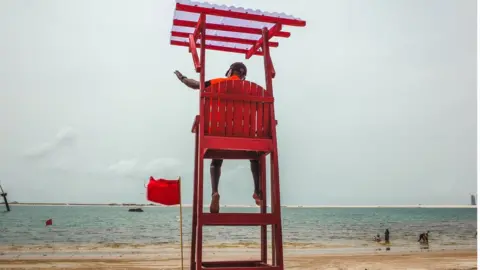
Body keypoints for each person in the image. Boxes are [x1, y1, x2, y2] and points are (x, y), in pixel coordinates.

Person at [174, 62, 262, 214]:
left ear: (230, 71)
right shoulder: (253, 89)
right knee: (255, 158)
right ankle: (257, 191)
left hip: (219, 134)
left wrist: (182, 78)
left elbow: (196, 85)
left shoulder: (219, 82)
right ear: (243, 76)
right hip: (245, 136)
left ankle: (214, 191)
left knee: (216, 159)